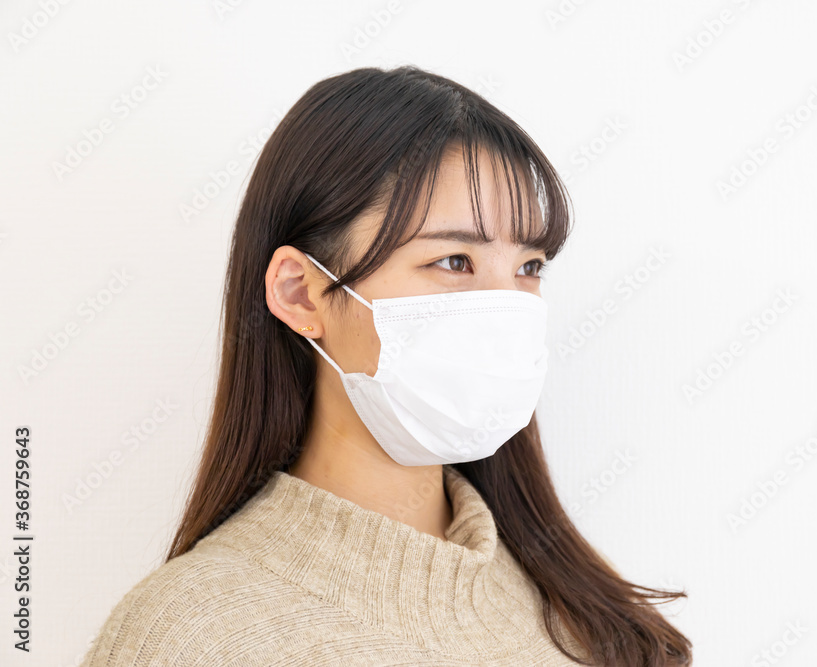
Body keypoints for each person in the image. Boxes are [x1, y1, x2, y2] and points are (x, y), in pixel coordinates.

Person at [81, 65, 691, 666]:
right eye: (453, 261)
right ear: (300, 293)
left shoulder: (578, 607)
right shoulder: (188, 635)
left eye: (529, 267)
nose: (504, 309)